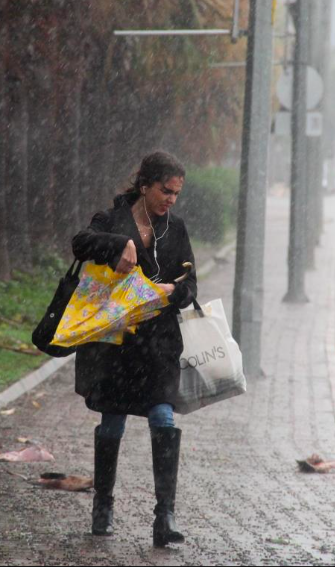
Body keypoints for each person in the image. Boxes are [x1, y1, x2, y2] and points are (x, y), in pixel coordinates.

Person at [71, 151, 197, 548]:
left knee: (163, 417)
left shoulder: (175, 229)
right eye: (165, 191)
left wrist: (174, 290)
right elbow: (81, 244)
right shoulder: (112, 219)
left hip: (158, 345)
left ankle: (165, 515)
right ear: (144, 186)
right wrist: (119, 243)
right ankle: (103, 506)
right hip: (116, 344)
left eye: (176, 193)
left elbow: (192, 285)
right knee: (113, 422)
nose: (171, 200)